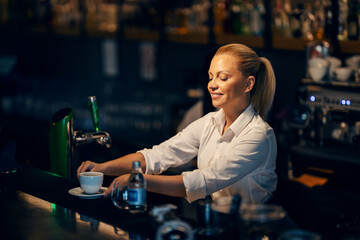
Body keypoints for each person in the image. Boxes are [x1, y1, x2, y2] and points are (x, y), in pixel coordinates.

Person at [77, 43, 277, 204]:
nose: (212, 84)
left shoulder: (258, 135)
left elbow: (206, 180)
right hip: (220, 223)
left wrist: (139, 180)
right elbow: (159, 155)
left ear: (248, 84)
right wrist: (103, 167)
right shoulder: (210, 122)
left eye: (223, 77)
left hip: (254, 229)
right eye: (210, 76)